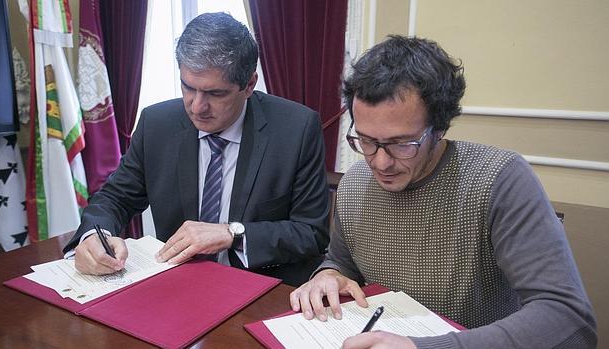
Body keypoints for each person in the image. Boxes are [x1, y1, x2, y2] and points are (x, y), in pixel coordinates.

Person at [290, 35, 597, 348]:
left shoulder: (499, 179)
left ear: (439, 127)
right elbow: (341, 262)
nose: (380, 162)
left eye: (401, 144)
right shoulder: (355, 182)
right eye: (367, 141)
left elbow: (569, 319)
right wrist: (327, 276)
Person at [63, 12, 330, 286]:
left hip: (259, 288)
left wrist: (233, 234)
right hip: (178, 286)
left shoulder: (295, 129)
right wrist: (95, 236)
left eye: (215, 94)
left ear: (249, 84)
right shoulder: (157, 124)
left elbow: (311, 233)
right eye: (188, 87)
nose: (196, 106)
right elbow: (115, 197)